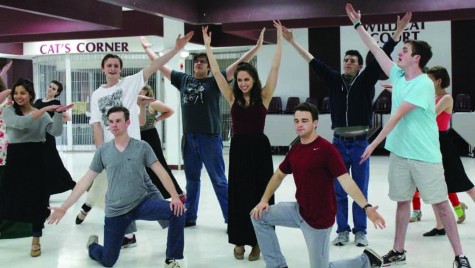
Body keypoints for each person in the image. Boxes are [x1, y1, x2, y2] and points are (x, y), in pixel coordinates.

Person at [347, 4, 471, 267]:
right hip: (400, 153)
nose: (399, 53)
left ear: (417, 58)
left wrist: (372, 144)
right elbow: (376, 50)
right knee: (402, 203)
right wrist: (358, 24)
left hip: (425, 156)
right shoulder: (399, 76)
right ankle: (398, 250)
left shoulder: (424, 83)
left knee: (440, 205)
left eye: (404, 50)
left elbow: (397, 116)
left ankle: (460, 255)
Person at [281, 13, 411, 247]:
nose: (348, 63)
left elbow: (381, 54)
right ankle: (342, 230)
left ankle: (360, 231)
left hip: (360, 142)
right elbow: (312, 61)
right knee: (339, 190)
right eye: (346, 60)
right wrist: (291, 41)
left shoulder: (365, 80)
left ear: (360, 66)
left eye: (353, 61)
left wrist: (397, 31)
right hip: (338, 143)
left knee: (359, 189)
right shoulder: (334, 80)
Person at [74, 31, 193, 247]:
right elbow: (97, 126)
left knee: (144, 187)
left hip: (133, 147)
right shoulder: (96, 95)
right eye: (108, 65)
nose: (112, 68)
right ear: (103, 69)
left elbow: (155, 65)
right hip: (112, 152)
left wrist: (175, 49)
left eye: (116, 65)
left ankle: (169, 219)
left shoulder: (130, 83)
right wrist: (102, 153)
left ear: (120, 69)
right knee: (122, 193)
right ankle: (134, 233)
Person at [141, 31, 265, 227]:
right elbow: (160, 66)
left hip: (209, 138)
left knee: (219, 180)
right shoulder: (184, 80)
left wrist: (256, 48)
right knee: (192, 181)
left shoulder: (215, 80)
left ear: (208, 67)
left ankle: (231, 218)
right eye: (197, 61)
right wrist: (148, 49)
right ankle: (190, 217)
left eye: (202, 61)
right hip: (189, 139)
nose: (198, 63)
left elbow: (238, 65)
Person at [250, 102, 386, 268]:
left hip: (319, 220)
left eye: (304, 120)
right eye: (296, 121)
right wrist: (264, 200)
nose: (299, 124)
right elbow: (278, 175)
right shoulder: (295, 149)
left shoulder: (327, 149)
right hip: (299, 210)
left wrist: (366, 206)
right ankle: (277, 265)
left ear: (315, 123)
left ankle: (366, 261)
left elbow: (346, 181)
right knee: (258, 216)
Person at [48, 106, 185, 268]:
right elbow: (85, 181)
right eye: (111, 122)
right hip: (116, 211)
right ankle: (92, 246)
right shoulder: (103, 151)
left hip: (141, 203)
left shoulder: (142, 147)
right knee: (108, 261)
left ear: (127, 122)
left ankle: (171, 259)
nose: (114, 125)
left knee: (178, 211)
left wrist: (175, 197)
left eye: (118, 121)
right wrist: (64, 208)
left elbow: (161, 172)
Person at [203, 22, 281, 261]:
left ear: (253, 80)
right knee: (238, 194)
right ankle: (239, 239)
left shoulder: (265, 95)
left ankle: (258, 241)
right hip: (238, 149)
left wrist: (279, 39)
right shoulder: (232, 97)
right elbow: (216, 73)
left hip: (259, 149)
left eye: (246, 79)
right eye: (239, 80)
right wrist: (208, 47)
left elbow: (275, 67)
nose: (243, 83)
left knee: (261, 194)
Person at [0, 78, 73, 257]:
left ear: (30, 94)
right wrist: (44, 110)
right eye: (16, 93)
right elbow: (20, 124)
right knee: (9, 199)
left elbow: (55, 132)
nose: (18, 96)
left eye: (22, 93)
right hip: (16, 160)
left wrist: (57, 114)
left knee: (38, 201)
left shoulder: (40, 113)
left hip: (37, 160)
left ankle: (36, 238)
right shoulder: (8, 111)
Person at [411, 66, 475, 236]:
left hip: (443, 143)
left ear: (438, 81)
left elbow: (429, 114)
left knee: (465, 184)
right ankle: (440, 226)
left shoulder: (446, 98)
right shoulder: (432, 97)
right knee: (435, 186)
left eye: (429, 80)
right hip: (430, 143)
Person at [138, 85, 186, 199]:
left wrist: (157, 119)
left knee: (159, 163)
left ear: (145, 91)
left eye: (141, 89)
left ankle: (177, 192)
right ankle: (155, 193)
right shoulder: (132, 104)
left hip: (150, 135)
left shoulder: (153, 103)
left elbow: (170, 111)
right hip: (137, 136)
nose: (138, 91)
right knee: (144, 167)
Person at [33, 80, 76, 194]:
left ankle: (71, 184)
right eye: (50, 86)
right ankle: (42, 187)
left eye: (53, 89)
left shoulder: (56, 103)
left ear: (57, 93)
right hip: (36, 136)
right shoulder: (38, 101)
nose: (50, 89)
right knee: (40, 162)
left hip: (47, 136)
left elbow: (67, 117)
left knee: (53, 161)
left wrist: (50, 121)